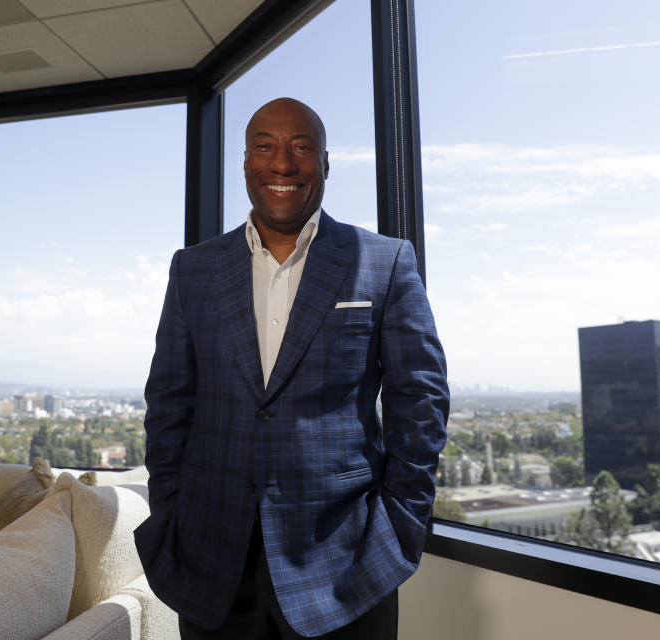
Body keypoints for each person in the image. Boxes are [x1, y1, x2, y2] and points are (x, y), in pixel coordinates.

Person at [134, 97, 449, 639]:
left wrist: (400, 526)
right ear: (246, 163)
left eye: (302, 147)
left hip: (345, 566)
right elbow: (169, 403)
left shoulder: (384, 261)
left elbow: (420, 403)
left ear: (324, 164)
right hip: (211, 560)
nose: (283, 163)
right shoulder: (194, 270)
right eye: (265, 147)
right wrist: (170, 509)